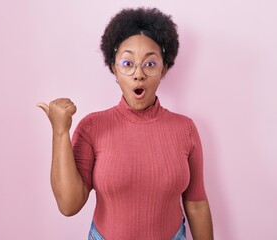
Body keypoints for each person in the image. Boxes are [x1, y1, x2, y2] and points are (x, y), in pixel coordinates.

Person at [38, 7, 213, 240]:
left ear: (164, 69)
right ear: (114, 69)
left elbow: (197, 203)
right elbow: (69, 205)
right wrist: (60, 131)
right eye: (127, 63)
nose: (138, 74)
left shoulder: (185, 129)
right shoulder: (92, 127)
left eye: (150, 64)